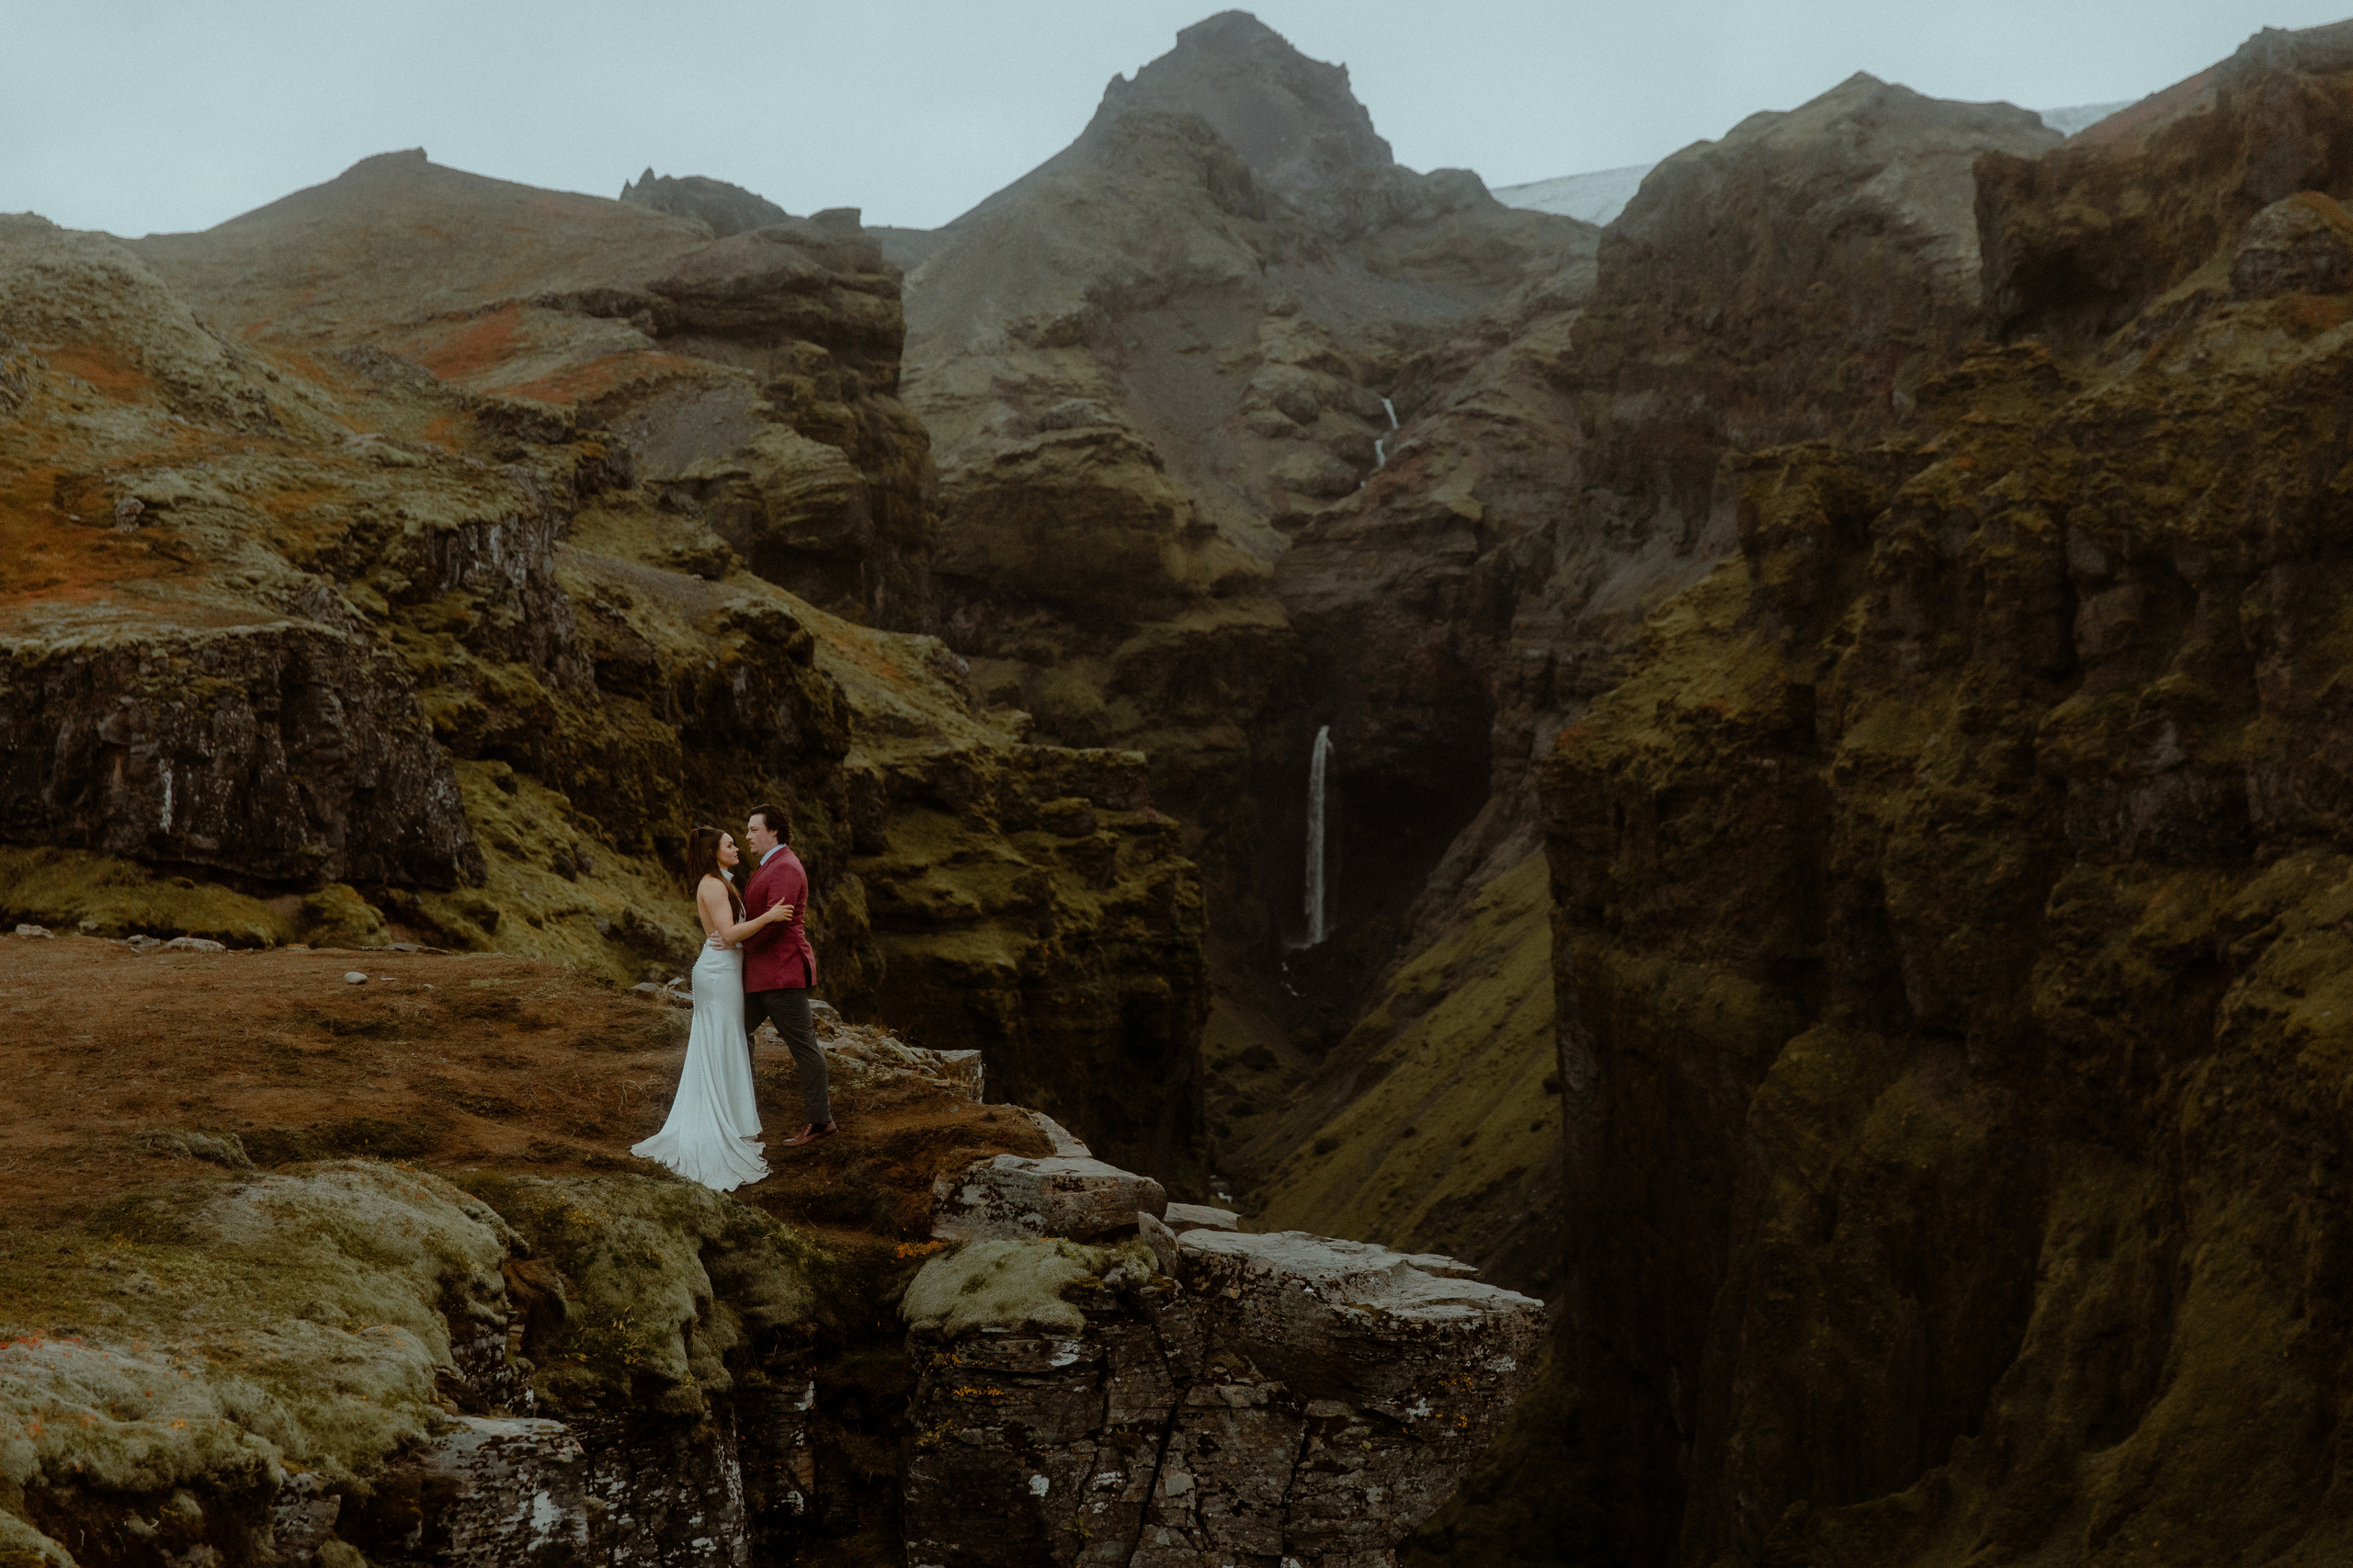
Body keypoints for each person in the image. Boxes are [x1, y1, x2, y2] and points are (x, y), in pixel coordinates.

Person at [630, 825, 790, 1190]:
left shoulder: (719, 881)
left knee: (722, 1042)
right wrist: (769, 917)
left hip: (723, 972)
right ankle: (717, 1124)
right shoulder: (714, 885)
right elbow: (729, 934)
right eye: (729, 845)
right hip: (719, 975)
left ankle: (729, 1119)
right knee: (721, 1041)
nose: (737, 848)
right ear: (713, 851)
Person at [736, 802, 834, 1145]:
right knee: (734, 1032)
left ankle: (820, 1121)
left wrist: (740, 944)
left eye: (753, 829)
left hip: (783, 972)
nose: (747, 836)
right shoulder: (771, 864)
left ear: (772, 831)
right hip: (763, 975)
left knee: (803, 1046)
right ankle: (743, 1110)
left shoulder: (786, 868)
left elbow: (777, 924)